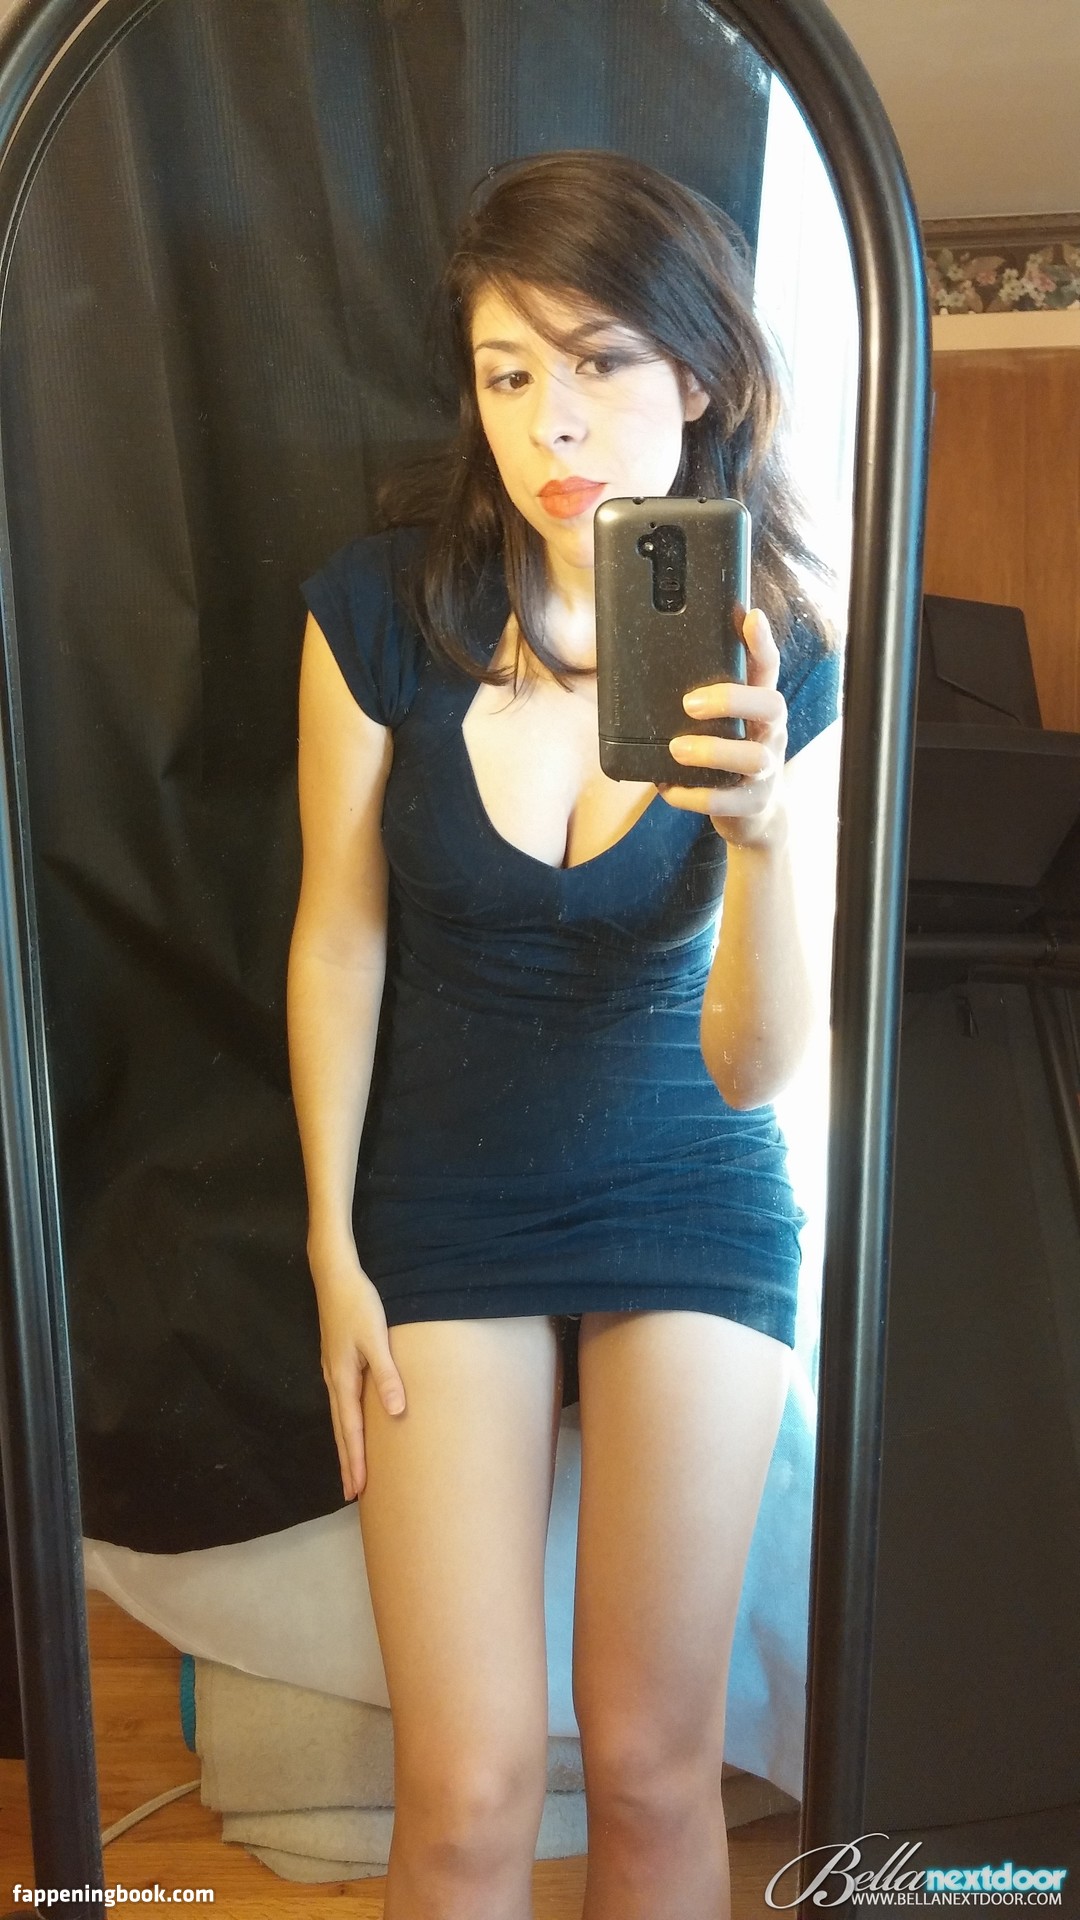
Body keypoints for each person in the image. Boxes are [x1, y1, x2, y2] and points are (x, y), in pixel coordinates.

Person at [287, 149, 841, 1920]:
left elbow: (759, 1068)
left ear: (702, 376)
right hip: (445, 1197)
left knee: (657, 1769)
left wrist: (764, 840)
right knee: (466, 1795)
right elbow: (339, 932)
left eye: (601, 362)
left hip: (692, 1188)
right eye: (508, 372)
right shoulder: (380, 611)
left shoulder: (782, 653)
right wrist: (329, 1245)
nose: (555, 425)